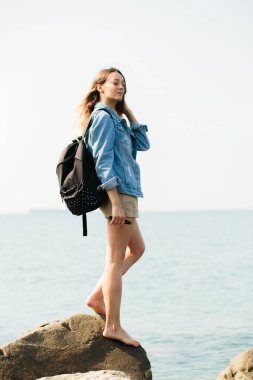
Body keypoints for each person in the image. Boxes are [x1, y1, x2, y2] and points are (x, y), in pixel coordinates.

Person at [78, 67, 150, 347]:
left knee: (137, 250)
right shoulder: (103, 118)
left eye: (124, 84)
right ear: (100, 87)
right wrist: (116, 202)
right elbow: (102, 160)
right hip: (117, 193)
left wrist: (127, 111)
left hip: (127, 192)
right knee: (113, 260)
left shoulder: (117, 118)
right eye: (115, 83)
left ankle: (97, 297)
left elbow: (143, 143)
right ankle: (113, 326)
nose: (121, 87)